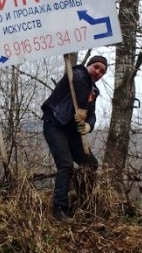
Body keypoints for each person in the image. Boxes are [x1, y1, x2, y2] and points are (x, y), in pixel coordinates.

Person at [41, 54, 108, 220]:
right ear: (89, 66)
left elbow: (91, 116)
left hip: (72, 132)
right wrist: (82, 106)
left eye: (102, 72)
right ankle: (59, 209)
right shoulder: (76, 74)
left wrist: (88, 125)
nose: (98, 72)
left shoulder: (93, 91)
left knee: (91, 164)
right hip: (55, 124)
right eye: (96, 67)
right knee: (66, 165)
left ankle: (83, 202)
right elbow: (79, 81)